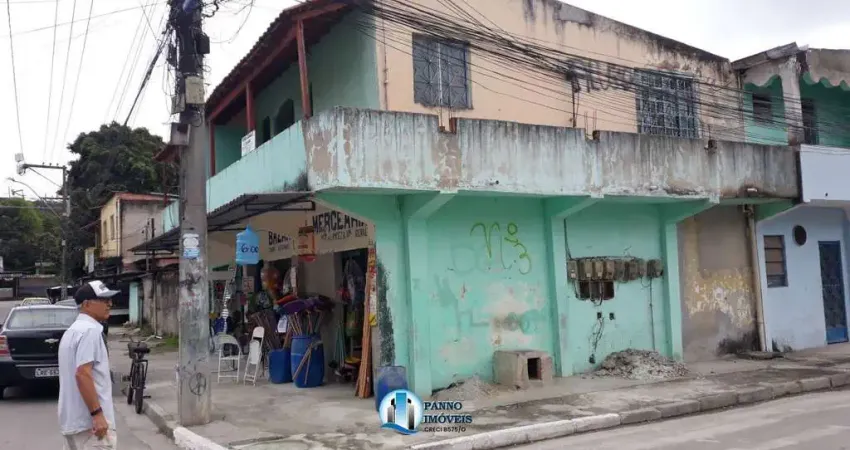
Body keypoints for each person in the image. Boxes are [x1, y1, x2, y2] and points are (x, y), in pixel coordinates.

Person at [58, 280, 119, 449]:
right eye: (103, 300)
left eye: (110, 300)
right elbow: (82, 374)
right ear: (86, 304)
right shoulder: (90, 331)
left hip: (73, 422)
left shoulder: (72, 331)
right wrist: (97, 415)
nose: (109, 304)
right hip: (91, 426)